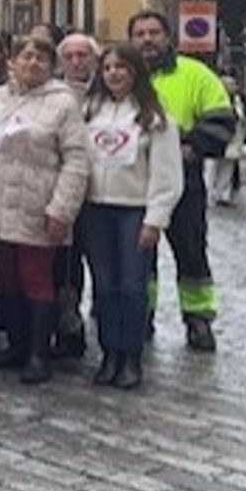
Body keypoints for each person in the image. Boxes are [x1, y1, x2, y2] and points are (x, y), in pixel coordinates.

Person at [0, 36, 89, 385]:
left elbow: (77, 159)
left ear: (50, 65)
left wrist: (62, 209)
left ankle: (39, 352)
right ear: (13, 61)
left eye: (41, 58)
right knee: (5, 278)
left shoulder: (64, 104)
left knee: (37, 279)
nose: (32, 63)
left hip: (37, 205)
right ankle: (17, 345)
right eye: (26, 56)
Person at [130, 10, 235, 352]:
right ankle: (139, 315)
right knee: (138, 254)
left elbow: (221, 117)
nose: (147, 40)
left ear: (168, 37)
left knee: (190, 250)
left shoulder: (195, 74)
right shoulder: (121, 74)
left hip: (183, 181)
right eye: (140, 34)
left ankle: (198, 319)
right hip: (132, 181)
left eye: (154, 33)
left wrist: (193, 148)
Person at [80, 44, 183, 391]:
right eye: (107, 68)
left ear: (135, 71)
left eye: (121, 67)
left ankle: (131, 356)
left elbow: (166, 174)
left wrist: (156, 218)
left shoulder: (155, 117)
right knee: (104, 286)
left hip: (133, 210)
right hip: (96, 209)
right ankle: (109, 352)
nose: (114, 74)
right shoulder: (89, 111)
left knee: (132, 286)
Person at [53, 31, 101, 358]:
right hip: (63, 192)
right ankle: (68, 327)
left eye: (82, 55)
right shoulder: (50, 93)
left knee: (105, 268)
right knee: (65, 268)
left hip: (103, 195)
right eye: (69, 56)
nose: (76, 62)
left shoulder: (110, 92)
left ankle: (117, 334)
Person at [206, 76, 246, 207]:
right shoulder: (213, 98)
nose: (233, 87)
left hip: (234, 139)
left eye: (234, 84)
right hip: (215, 137)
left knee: (227, 168)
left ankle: (222, 194)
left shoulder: (238, 101)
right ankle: (208, 195)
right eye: (230, 85)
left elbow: (241, 118)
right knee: (211, 168)